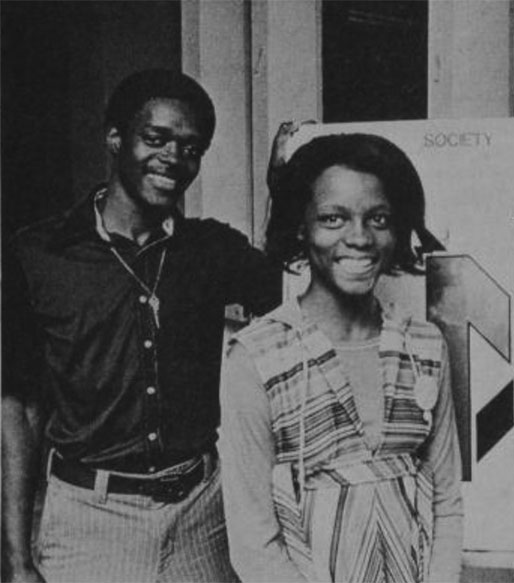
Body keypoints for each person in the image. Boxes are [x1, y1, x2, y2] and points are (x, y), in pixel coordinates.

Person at [1, 69, 282, 582]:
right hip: (89, 521)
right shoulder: (37, 255)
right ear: (114, 139)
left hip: (201, 516)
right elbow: (19, 409)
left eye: (192, 148)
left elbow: (298, 294)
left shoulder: (213, 251)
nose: (175, 157)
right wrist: (17, 560)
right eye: (156, 138)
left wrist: (285, 188)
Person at [218, 130, 462, 582]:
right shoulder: (257, 357)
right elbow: (254, 543)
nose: (360, 238)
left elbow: (446, 501)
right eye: (333, 218)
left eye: (379, 218)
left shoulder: (424, 346)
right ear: (300, 225)